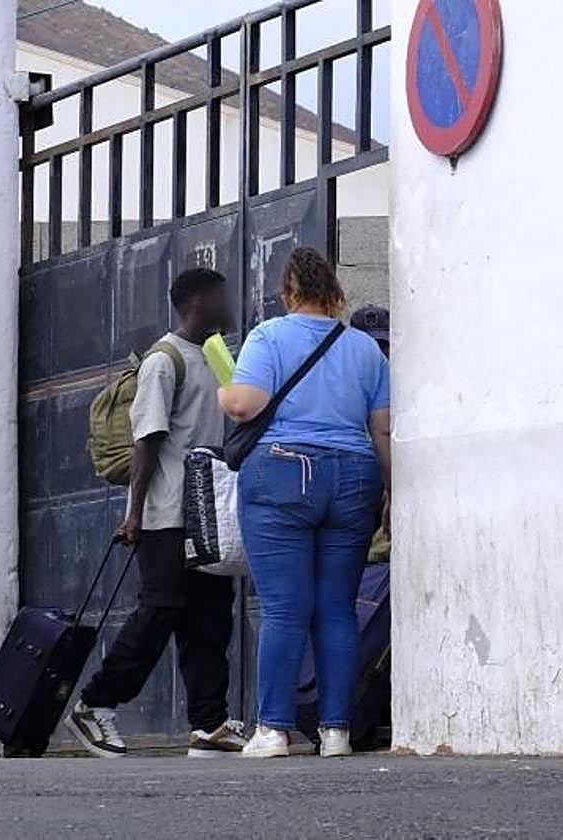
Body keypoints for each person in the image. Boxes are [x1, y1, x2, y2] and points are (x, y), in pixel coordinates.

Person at [66, 268, 248, 759]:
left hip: (209, 517)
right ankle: (94, 704)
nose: (230, 304)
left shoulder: (215, 355)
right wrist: (134, 514)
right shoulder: (163, 362)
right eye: (221, 295)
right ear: (196, 301)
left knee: (210, 619)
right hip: (166, 515)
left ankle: (208, 724)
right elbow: (146, 442)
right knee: (160, 610)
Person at [219, 248, 390, 759]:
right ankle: (335, 731)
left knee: (285, 607)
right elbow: (381, 428)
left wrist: (223, 395)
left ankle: (273, 729)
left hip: (284, 471)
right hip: (356, 475)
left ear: (287, 292)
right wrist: (392, 491)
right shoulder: (364, 349)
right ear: (334, 291)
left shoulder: (269, 336)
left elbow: (246, 403)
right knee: (337, 607)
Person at [294, 304, 392, 746]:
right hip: (358, 501)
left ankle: (340, 715)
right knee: (340, 607)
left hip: (354, 500)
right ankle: (337, 716)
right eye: (378, 346)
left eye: (386, 346)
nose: (383, 353)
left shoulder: (347, 373)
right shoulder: (367, 378)